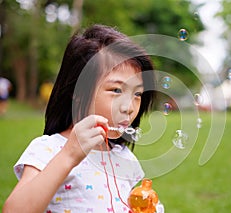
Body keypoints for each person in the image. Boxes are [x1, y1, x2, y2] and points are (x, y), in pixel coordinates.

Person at [3, 24, 158, 213]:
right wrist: (69, 155)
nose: (129, 107)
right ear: (77, 91)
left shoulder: (124, 157)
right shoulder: (49, 149)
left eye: (137, 94)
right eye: (116, 90)